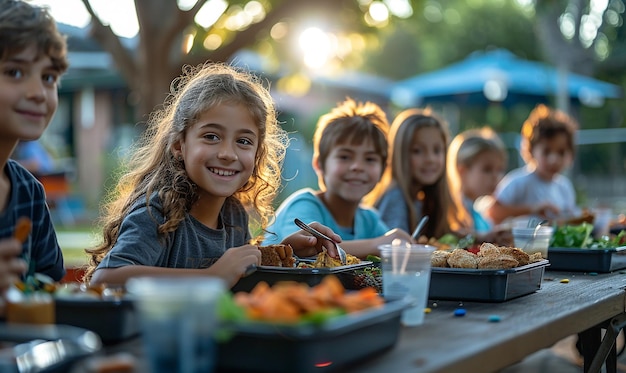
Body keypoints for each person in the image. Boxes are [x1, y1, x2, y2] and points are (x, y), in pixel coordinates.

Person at [85, 63, 342, 288]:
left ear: (257, 154)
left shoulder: (233, 216)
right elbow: (107, 278)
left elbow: (235, 281)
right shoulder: (157, 211)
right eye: (211, 137)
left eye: (243, 141)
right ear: (179, 145)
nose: (228, 153)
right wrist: (211, 276)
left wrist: (282, 253)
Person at [262, 98, 412, 258]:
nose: (357, 166)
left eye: (370, 159)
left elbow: (392, 249)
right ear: (320, 164)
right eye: (345, 157)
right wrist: (381, 245)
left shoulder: (370, 220)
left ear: (383, 170)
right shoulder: (303, 204)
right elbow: (308, 249)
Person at [0, 0, 68, 290]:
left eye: (48, 77)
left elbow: (48, 290)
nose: (39, 93)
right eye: (15, 72)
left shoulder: (29, 193)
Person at [368, 108, 461, 239]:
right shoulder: (395, 198)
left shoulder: (419, 199)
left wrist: (482, 236)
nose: (430, 159)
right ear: (400, 155)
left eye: (437, 150)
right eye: (417, 151)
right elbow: (396, 250)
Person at [487, 104, 579, 225]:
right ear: (531, 150)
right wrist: (532, 209)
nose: (553, 159)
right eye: (546, 151)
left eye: (561, 153)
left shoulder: (564, 187)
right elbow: (492, 212)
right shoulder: (518, 182)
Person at [447, 127, 512, 246]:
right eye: (487, 169)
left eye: (499, 169)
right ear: (462, 171)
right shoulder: (449, 213)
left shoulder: (481, 217)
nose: (495, 176)